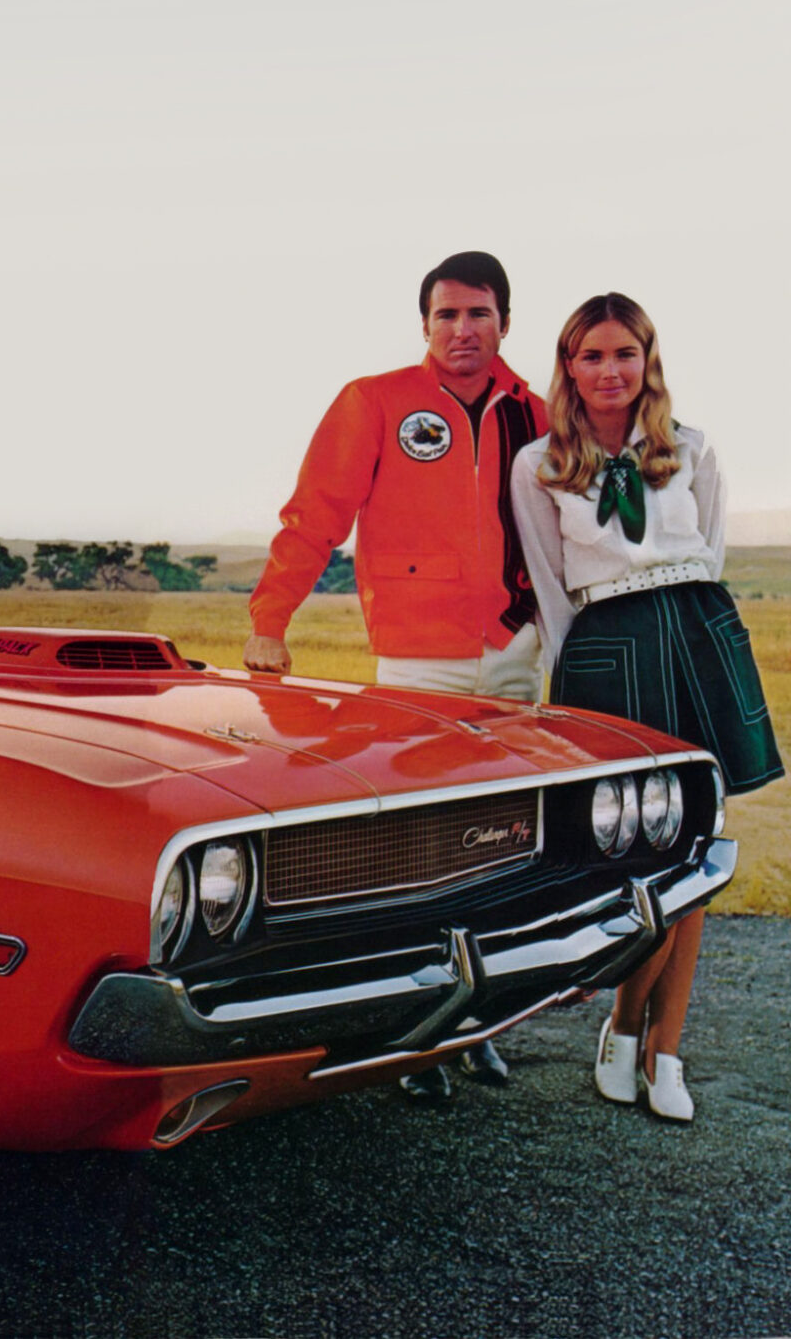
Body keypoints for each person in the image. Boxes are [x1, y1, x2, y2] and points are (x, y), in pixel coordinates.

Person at [244, 250, 549, 1100]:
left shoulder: (536, 412)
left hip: (516, 654)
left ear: (505, 323)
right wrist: (270, 621)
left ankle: (476, 1023)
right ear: (424, 325)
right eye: (447, 315)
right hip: (422, 660)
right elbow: (315, 517)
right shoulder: (376, 401)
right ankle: (405, 1037)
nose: (463, 330)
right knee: (420, 852)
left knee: (506, 846)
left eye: (479, 314)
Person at [510, 292, 781, 1122]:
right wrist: (577, 682)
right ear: (568, 366)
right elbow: (553, 584)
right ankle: (622, 1028)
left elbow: (712, 548)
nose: (609, 371)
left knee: (697, 842)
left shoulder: (690, 449)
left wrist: (687, 625)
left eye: (624, 353)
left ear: (647, 359)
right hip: (606, 643)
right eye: (590, 356)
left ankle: (663, 1050)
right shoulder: (541, 464)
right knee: (638, 849)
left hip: (696, 628)